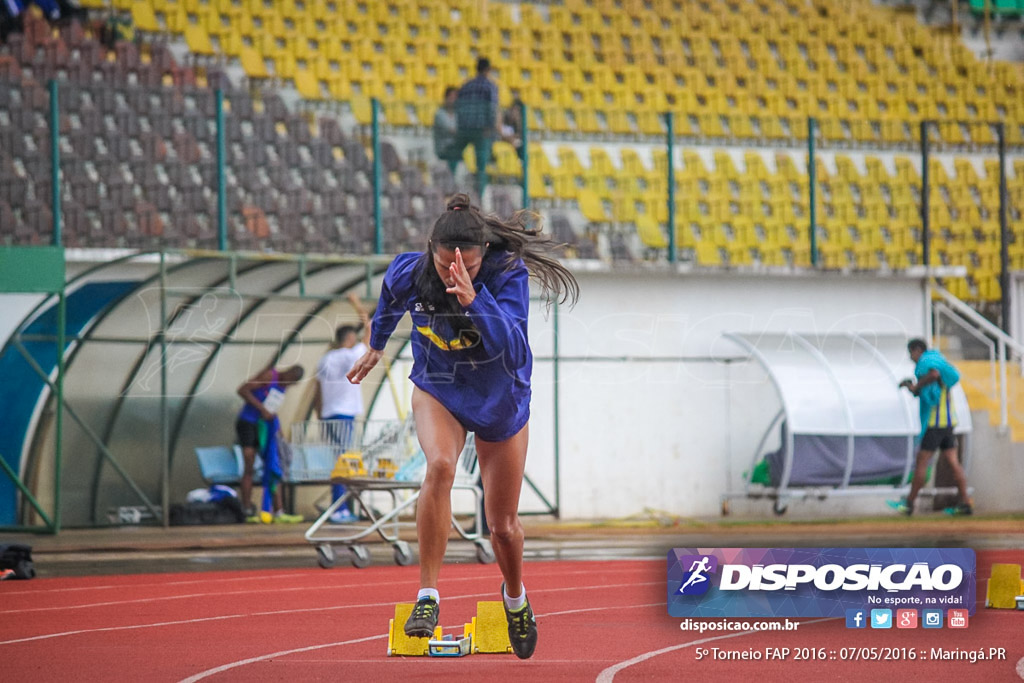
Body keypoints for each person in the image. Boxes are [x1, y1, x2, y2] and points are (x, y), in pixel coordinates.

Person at [347, 193, 579, 659]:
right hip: (440, 387)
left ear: (484, 254)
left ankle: (515, 598)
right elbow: (391, 297)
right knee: (439, 466)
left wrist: (476, 300)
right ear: (431, 247)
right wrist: (376, 343)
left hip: (500, 397)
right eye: (446, 262)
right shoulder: (408, 270)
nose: (457, 271)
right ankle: (427, 597)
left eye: (469, 266)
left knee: (503, 525)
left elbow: (514, 352)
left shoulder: (506, 275)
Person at [890, 338, 972, 516]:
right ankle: (965, 503)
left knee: (921, 461)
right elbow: (930, 386)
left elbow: (933, 376)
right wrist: (913, 387)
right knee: (953, 462)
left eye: (911, 353)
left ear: (918, 350)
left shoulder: (930, 366)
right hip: (949, 422)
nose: (911, 358)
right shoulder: (939, 366)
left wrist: (917, 385)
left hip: (935, 423)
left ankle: (909, 504)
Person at [314, 293, 371, 524]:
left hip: (328, 414)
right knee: (344, 463)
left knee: (338, 461)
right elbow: (369, 329)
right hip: (344, 415)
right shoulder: (351, 354)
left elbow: (316, 391)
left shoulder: (325, 358)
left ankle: (339, 507)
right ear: (349, 338)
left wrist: (319, 415)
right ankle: (339, 509)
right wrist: (356, 304)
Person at [236, 364, 305, 523]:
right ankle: (246, 510)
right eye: (290, 381)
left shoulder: (283, 387)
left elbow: (272, 409)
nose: (288, 386)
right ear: (287, 374)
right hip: (248, 423)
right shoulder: (269, 376)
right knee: (249, 464)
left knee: (273, 465)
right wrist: (261, 409)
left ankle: (278, 511)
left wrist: (279, 431)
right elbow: (242, 390)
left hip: (265, 426)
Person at [452, 57, 500, 197]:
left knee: (454, 156)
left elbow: (458, 106)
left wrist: (460, 126)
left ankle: (448, 187)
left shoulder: (466, 85)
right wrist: (490, 127)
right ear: (487, 70)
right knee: (481, 164)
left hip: (464, 128)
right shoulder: (490, 86)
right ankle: (481, 194)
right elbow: (492, 108)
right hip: (481, 130)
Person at [433, 86, 460, 173]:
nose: (453, 100)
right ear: (445, 98)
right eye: (451, 98)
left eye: (455, 98)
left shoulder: (457, 115)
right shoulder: (440, 114)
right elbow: (452, 131)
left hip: (456, 148)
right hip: (444, 149)